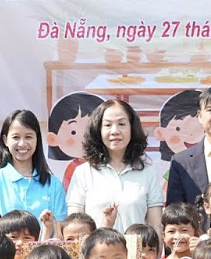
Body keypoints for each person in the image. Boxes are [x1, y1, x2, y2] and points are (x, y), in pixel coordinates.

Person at [67, 99, 164, 234]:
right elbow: (74, 228)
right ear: (98, 130)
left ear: (132, 128)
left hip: (138, 254)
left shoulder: (147, 173)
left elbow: (155, 227)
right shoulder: (83, 172)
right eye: (107, 125)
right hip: (95, 254)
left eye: (122, 124)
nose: (115, 131)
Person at [0, 110, 66, 237]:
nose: (22, 144)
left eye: (28, 137)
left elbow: (58, 233)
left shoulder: (53, 184)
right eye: (16, 137)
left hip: (44, 255)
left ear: (37, 139)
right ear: (5, 140)